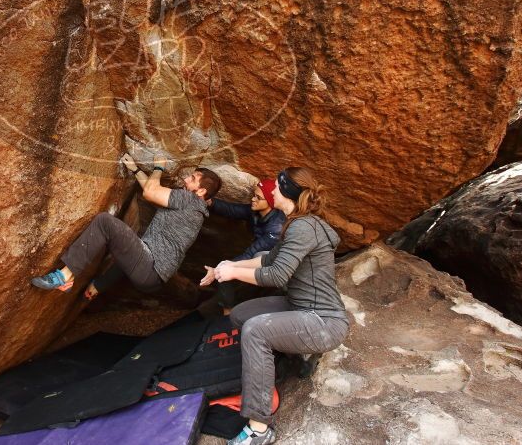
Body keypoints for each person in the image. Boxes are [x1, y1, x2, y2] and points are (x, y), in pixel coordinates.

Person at [213, 167, 349, 445]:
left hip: (323, 321)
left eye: (276, 186)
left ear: (287, 193)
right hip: (298, 306)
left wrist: (234, 273)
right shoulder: (296, 223)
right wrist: (228, 265)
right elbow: (267, 258)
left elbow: (277, 275)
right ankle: (288, 357)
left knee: (255, 331)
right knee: (241, 315)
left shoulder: (303, 227)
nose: (271, 190)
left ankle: (259, 429)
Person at [31, 153, 222, 300]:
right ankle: (99, 285)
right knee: (129, 244)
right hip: (151, 277)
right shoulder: (195, 209)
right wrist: (135, 170)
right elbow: (153, 191)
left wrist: (159, 167)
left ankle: (65, 276)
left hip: (150, 267)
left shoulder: (189, 200)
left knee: (105, 222)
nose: (187, 179)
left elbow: (150, 192)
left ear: (201, 191)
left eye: (193, 178)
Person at [200, 178, 286, 314]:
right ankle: (228, 310)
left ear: (270, 201)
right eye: (254, 195)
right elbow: (233, 210)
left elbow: (251, 254)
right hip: (258, 259)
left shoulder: (276, 228)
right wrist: (210, 202)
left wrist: (219, 269)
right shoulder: (257, 211)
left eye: (258, 197)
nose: (253, 199)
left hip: (273, 266)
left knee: (225, 272)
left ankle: (228, 315)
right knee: (226, 270)